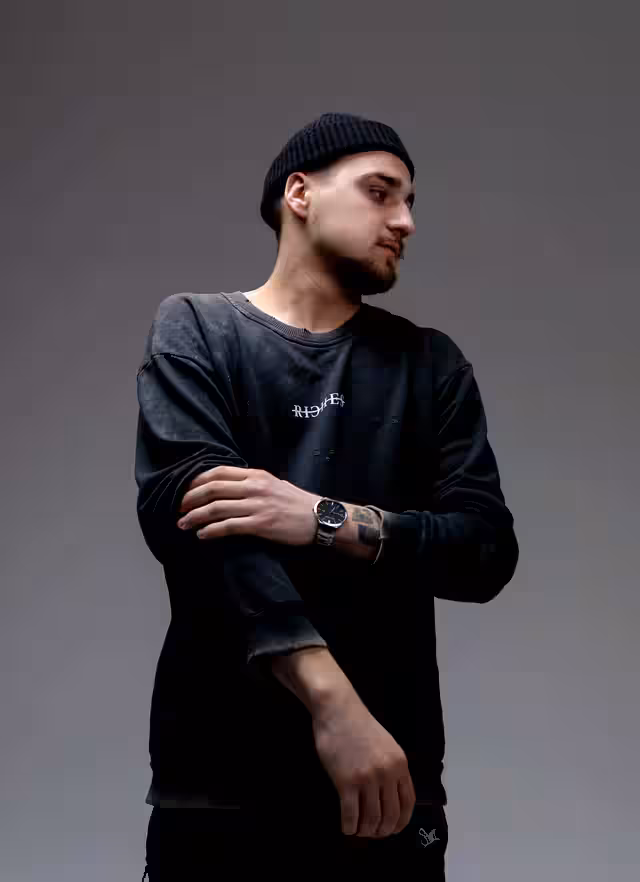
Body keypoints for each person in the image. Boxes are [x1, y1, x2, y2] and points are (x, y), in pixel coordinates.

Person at [135, 111, 519, 879]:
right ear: (300, 194)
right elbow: (203, 527)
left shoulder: (429, 364)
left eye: (410, 201)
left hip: (387, 796)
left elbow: (483, 551)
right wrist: (335, 707)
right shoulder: (197, 330)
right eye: (381, 192)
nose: (405, 221)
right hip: (223, 785)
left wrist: (321, 518)